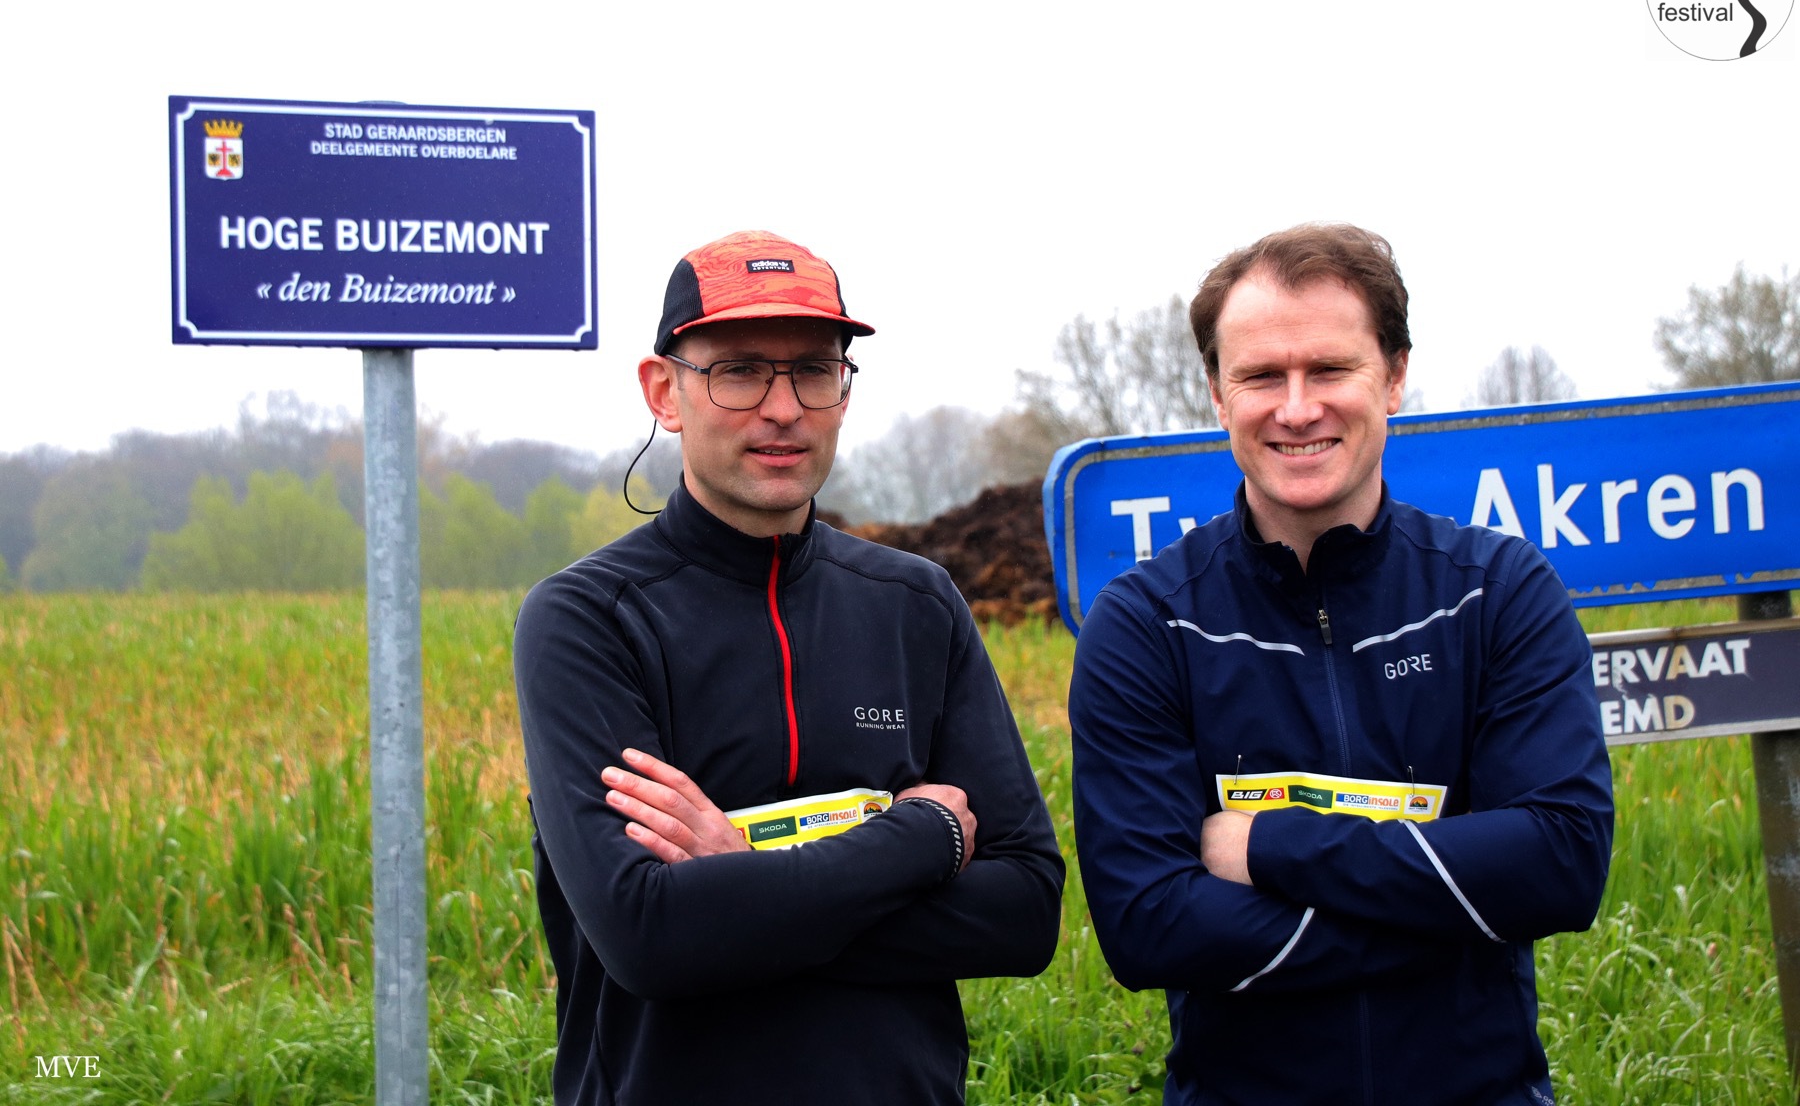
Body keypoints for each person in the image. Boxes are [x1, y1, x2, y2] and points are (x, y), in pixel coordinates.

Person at [514, 230, 1064, 1106]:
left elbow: (1026, 913)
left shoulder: (915, 605)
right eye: (739, 372)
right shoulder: (588, 621)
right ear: (663, 391)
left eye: (813, 370)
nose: (783, 408)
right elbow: (650, 936)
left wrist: (741, 880)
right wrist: (923, 838)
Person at [1067, 223, 1613, 1104]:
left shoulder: (1498, 592)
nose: (1296, 408)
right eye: (1260, 376)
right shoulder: (1147, 623)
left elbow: (1560, 861)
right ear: (1216, 393)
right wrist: (1454, 912)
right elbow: (1148, 924)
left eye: (1328, 369)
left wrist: (1271, 844)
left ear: (1393, 377)